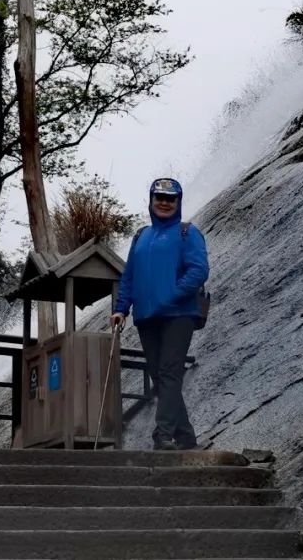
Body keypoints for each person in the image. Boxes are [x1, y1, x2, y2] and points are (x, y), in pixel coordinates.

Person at [111, 177, 209, 450]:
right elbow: (128, 276)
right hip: (147, 317)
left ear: (178, 202)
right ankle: (186, 436)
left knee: (168, 372)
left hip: (179, 315)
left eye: (170, 198)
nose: (164, 203)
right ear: (151, 201)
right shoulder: (141, 236)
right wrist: (121, 309)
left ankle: (163, 435)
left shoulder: (188, 233)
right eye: (159, 198)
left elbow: (199, 271)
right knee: (160, 375)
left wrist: (172, 295)